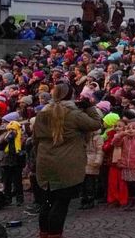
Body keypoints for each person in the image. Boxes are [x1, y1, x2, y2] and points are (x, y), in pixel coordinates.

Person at [33, 83, 103, 238]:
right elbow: (96, 124)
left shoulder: (42, 113)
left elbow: (35, 139)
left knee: (47, 202)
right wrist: (90, 107)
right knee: (61, 203)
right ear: (71, 96)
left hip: (45, 161)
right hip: (67, 163)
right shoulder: (73, 114)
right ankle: (55, 235)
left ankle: (44, 234)